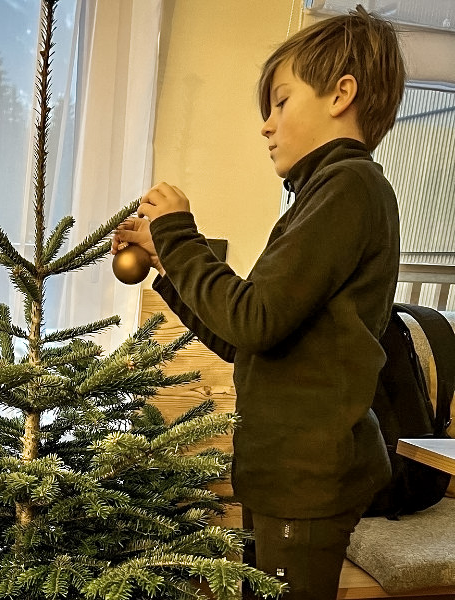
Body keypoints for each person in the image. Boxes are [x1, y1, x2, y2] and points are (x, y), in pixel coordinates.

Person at [112, 6, 406, 599]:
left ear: (340, 94)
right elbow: (240, 333)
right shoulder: (322, 195)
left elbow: (253, 318)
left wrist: (177, 231)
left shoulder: (349, 186)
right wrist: (169, 261)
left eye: (281, 101)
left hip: (308, 479)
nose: (266, 125)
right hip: (286, 475)